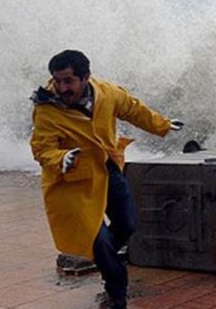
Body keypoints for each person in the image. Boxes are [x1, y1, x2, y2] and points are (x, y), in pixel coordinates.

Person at [29, 50, 183, 309]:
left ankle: (100, 258)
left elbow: (133, 110)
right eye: (57, 81)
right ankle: (116, 293)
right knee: (98, 240)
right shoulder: (47, 110)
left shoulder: (107, 93)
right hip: (72, 181)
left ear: (86, 77)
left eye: (68, 81)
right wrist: (61, 158)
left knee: (127, 224)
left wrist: (163, 125)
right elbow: (41, 149)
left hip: (107, 168)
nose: (62, 87)